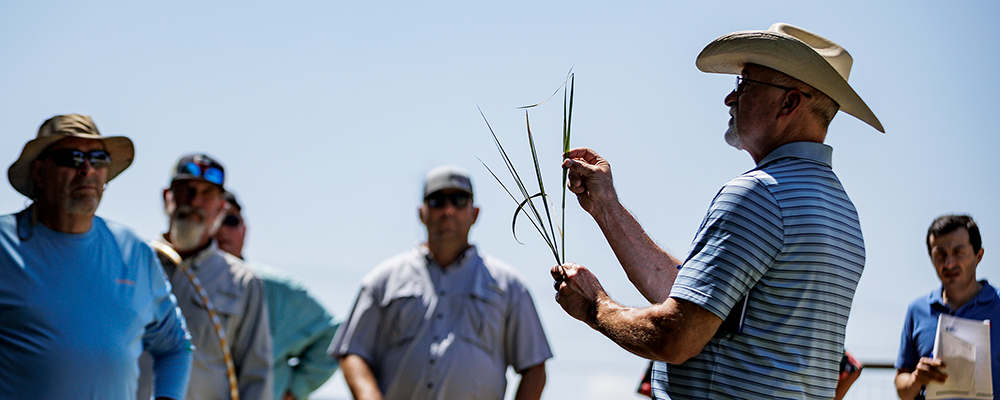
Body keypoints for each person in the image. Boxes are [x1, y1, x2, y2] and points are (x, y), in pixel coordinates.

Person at [552, 23, 883, 399]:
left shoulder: (758, 194)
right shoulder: (840, 211)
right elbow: (699, 300)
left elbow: (676, 337)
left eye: (745, 84)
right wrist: (606, 207)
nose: (731, 97)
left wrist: (596, 307)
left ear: (790, 103)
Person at [0, 114, 192, 400]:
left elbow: (175, 345)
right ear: (39, 173)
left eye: (98, 158)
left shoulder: (135, 252)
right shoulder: (4, 244)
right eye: (72, 158)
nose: (87, 169)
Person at [330, 165, 552, 400]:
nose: (448, 211)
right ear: (421, 213)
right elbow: (352, 352)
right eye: (437, 201)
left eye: (458, 200)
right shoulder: (382, 281)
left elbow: (534, 367)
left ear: (474, 213)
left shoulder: (510, 286)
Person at [143, 153, 274, 400]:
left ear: (221, 207)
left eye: (207, 194)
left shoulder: (243, 282)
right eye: (187, 190)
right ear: (166, 197)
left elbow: (256, 377)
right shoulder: (134, 264)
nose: (195, 201)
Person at [215, 191, 340, 400]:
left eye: (230, 220)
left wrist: (295, 390)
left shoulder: (273, 287)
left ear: (244, 230)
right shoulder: (176, 281)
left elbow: (332, 335)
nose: (222, 230)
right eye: (215, 218)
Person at [895, 215, 1000, 399]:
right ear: (930, 257)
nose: (949, 263)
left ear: (979, 255)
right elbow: (901, 387)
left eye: (959, 252)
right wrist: (916, 379)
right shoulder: (917, 310)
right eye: (940, 254)